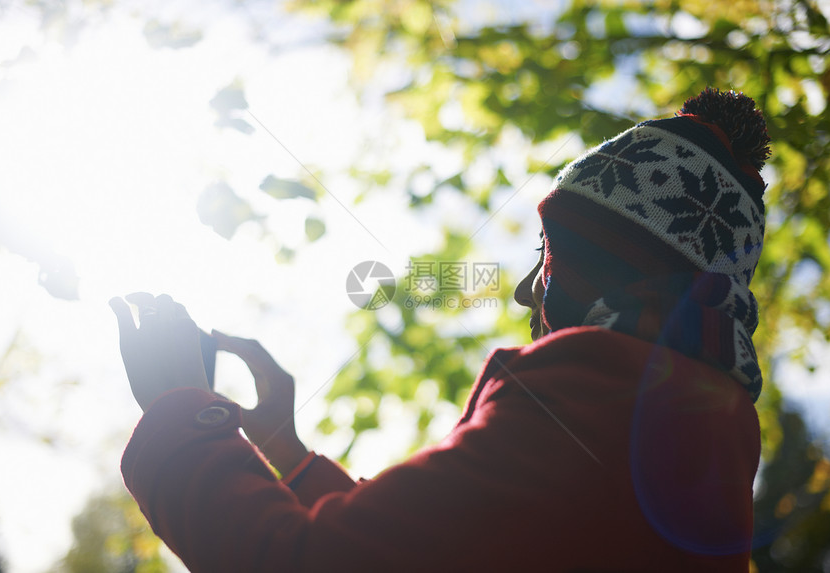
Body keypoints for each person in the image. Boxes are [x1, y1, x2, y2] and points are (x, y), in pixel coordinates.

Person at [111, 87, 770, 572]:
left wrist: (182, 408)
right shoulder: (699, 430)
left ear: (607, 263)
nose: (524, 288)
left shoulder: (604, 392)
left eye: (547, 256)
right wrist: (288, 450)